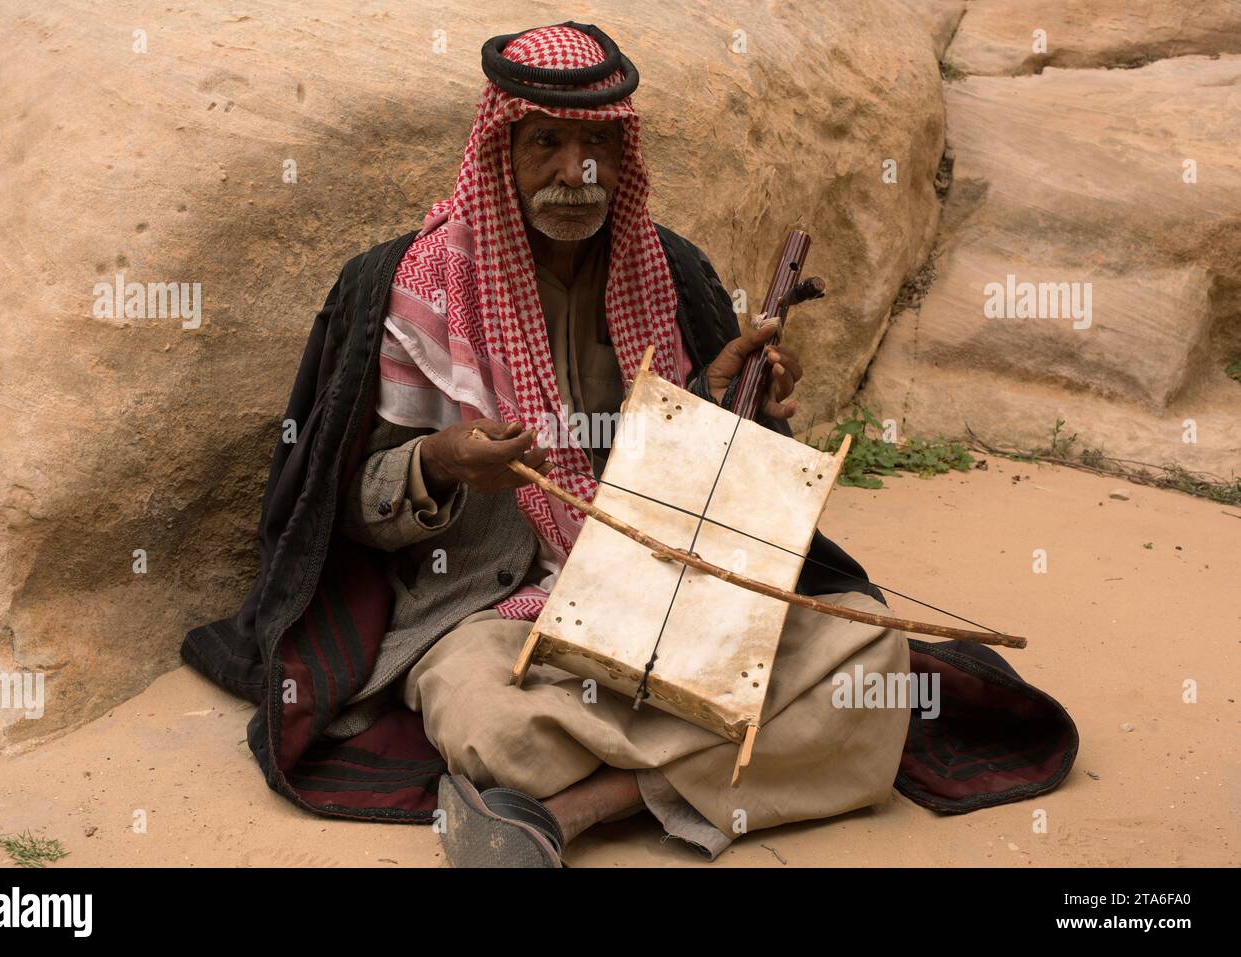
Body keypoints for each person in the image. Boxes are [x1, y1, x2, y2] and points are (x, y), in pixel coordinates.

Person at [182, 20, 1079, 869]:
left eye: (599, 148)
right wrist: (444, 462)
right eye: (546, 145)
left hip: (667, 594)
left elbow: (711, 486)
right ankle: (684, 765)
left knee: (870, 662)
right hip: (493, 611)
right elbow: (348, 505)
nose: (578, 174)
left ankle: (578, 810)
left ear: (624, 152)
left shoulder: (669, 269)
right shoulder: (413, 284)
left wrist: (729, 407)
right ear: (502, 149)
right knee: (489, 730)